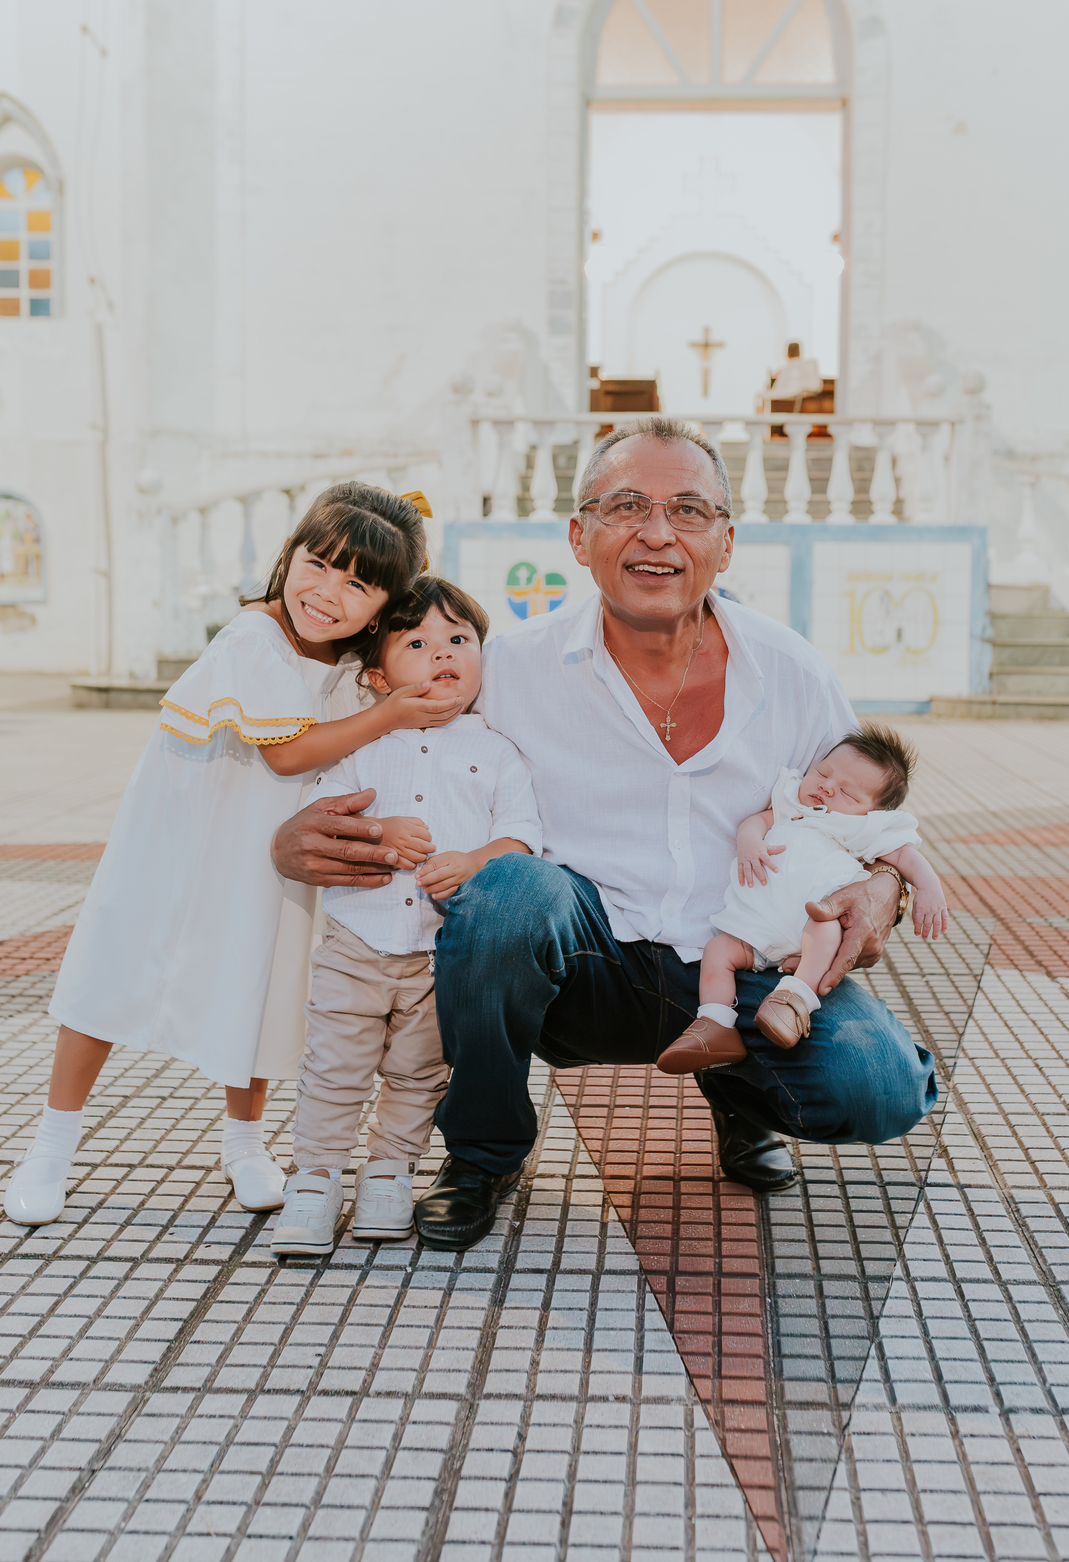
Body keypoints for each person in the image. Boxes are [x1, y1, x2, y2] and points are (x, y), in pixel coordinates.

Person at [270, 419, 939, 1253]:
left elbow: (869, 817)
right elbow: (391, 735)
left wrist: (888, 886)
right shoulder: (509, 668)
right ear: (580, 538)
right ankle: (482, 1155)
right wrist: (288, 833)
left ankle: (740, 1090)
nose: (657, 533)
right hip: (581, 960)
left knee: (877, 1089)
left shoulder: (792, 670)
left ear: (726, 544)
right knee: (507, 893)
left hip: (742, 959)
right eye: (627, 506)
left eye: (688, 511)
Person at [4, 484, 447, 1229]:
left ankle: (244, 1143)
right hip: (183, 834)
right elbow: (288, 755)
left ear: (383, 604)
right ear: (289, 555)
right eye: (318, 564)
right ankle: (51, 1142)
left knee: (265, 977)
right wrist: (391, 713)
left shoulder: (348, 663)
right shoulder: (254, 637)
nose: (327, 593)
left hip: (267, 848)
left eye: (358, 584)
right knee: (116, 966)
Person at [270, 576, 540, 1257]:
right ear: (376, 675)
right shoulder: (363, 745)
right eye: (417, 642)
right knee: (334, 1066)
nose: (441, 652)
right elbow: (324, 820)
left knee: (421, 1073)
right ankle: (317, 1177)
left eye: (459, 639)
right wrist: (380, 832)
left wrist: (476, 861)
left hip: (440, 952)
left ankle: (390, 1173)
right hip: (355, 942)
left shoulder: (498, 752)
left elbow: (521, 838)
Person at [656, 726, 948, 1072]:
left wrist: (928, 888)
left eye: (847, 794)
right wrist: (750, 841)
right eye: (823, 773)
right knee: (718, 952)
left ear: (872, 813)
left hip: (808, 923)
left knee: (824, 926)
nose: (826, 786)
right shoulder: (790, 804)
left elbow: (904, 857)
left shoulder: (862, 829)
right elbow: (756, 821)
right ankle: (715, 1023)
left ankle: (794, 998)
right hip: (753, 925)